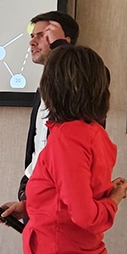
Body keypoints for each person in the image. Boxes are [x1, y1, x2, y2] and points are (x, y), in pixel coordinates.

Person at [0, 45, 127, 254]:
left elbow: (84, 215)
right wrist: (27, 207)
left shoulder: (68, 139)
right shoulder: (91, 132)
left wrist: (115, 199)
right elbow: (68, 194)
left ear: (54, 88)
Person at [19, 11, 80, 202]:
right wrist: (26, 183)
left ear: (64, 41)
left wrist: (60, 46)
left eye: (41, 35)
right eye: (32, 36)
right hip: (36, 191)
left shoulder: (84, 80)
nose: (32, 42)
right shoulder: (43, 89)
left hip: (64, 195)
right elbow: (38, 142)